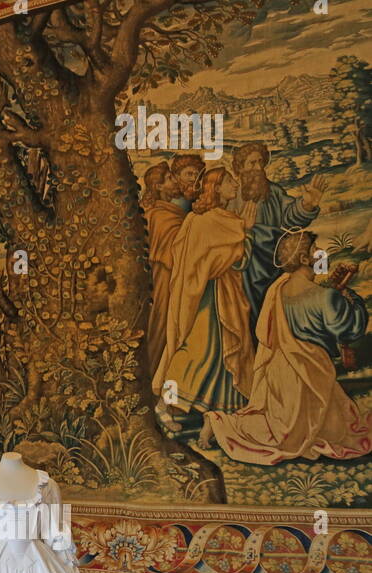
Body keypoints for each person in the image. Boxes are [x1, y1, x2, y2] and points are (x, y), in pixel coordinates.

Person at [200, 231, 372, 463]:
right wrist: (350, 296)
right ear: (303, 259)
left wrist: (335, 292)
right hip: (307, 375)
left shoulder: (279, 289)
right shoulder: (324, 296)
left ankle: (221, 422)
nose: (318, 253)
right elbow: (348, 329)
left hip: (281, 371)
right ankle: (220, 422)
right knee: (291, 435)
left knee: (316, 426)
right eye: (314, 250)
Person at [153, 167, 253, 415]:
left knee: (221, 356)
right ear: (216, 187)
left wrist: (243, 237)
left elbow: (239, 261)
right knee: (195, 353)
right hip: (204, 298)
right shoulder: (201, 221)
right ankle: (164, 405)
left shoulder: (229, 218)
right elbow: (204, 263)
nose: (236, 184)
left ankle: (217, 414)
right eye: (230, 180)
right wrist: (243, 235)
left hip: (225, 295)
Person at [228, 141, 326, 325]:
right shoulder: (231, 195)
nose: (258, 168)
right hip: (241, 269)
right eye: (252, 163)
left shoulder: (273, 192)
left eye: (260, 162)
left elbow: (290, 216)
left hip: (272, 265)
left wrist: (307, 205)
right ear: (240, 167)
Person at [142, 162, 186, 374]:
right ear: (158, 187)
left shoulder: (170, 212)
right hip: (163, 279)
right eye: (169, 178)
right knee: (161, 325)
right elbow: (172, 250)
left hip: (171, 276)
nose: (175, 181)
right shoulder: (159, 215)